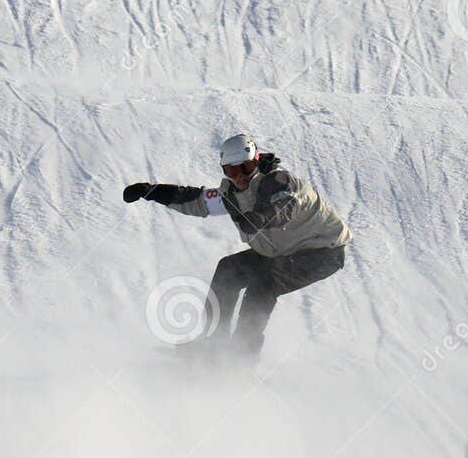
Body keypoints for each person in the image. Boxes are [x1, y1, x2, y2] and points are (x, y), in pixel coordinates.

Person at [123, 132, 351, 360]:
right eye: (232, 171)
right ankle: (213, 343)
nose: (240, 177)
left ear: (256, 161)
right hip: (284, 249)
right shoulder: (232, 194)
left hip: (323, 250)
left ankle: (241, 358)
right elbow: (196, 200)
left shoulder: (278, 182)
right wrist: (151, 191)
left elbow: (286, 206)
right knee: (228, 269)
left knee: (264, 284)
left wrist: (261, 218)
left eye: (246, 167)